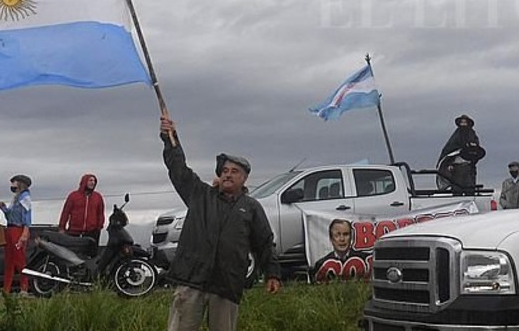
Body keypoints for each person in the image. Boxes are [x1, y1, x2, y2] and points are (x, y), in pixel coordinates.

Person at [159, 114, 281, 331]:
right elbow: (178, 169)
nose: (227, 175)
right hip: (191, 279)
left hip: (226, 285)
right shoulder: (200, 195)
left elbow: (264, 242)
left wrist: (272, 273)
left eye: (234, 172)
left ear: (244, 178)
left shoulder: (251, 207)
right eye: (224, 171)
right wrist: (170, 138)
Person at [0, 174, 33, 295]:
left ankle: (24, 288)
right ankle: (6, 289)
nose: (12, 185)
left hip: (18, 230)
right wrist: (4, 209)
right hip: (10, 229)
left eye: (14, 183)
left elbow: (27, 215)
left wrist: (25, 232)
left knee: (19, 260)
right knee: (9, 261)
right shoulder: (15, 198)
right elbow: (11, 215)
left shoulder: (25, 198)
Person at [311, 219, 371, 283]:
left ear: (351, 237)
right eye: (337, 235)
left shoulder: (364, 260)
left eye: (346, 234)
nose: (342, 239)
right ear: (331, 238)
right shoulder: (321, 264)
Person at [437, 115, 485, 194]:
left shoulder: (472, 135)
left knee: (469, 190)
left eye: (465, 122)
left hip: (469, 168)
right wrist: (449, 164)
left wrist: (471, 148)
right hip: (456, 168)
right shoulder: (455, 136)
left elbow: (477, 152)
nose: (463, 124)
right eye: (462, 122)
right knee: (457, 190)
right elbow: (448, 151)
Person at [58, 173, 105, 242]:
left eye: (94, 181)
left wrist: (99, 227)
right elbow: (66, 212)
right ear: (84, 181)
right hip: (74, 232)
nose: (93, 183)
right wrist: (62, 227)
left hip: (91, 233)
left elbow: (100, 213)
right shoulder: (73, 196)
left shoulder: (98, 197)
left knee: (91, 252)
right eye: (90, 180)